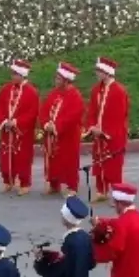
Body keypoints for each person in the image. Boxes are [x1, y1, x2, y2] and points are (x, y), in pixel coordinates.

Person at [92, 183, 139, 277]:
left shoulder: (122, 222)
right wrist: (101, 222)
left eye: (115, 203)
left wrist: (95, 251)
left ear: (120, 203)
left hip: (125, 269)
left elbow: (114, 249)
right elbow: (117, 223)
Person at [85, 56, 130, 200]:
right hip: (99, 134)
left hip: (114, 135)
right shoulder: (96, 90)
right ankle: (101, 191)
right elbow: (91, 110)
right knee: (99, 161)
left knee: (113, 165)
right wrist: (92, 126)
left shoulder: (119, 91)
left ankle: (117, 193)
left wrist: (104, 131)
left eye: (99, 71)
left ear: (107, 72)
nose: (97, 73)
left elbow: (119, 116)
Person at [0, 59, 39, 195]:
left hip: (21, 132)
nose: (12, 76)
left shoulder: (31, 92)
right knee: (6, 156)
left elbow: (32, 112)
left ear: (22, 75)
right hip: (7, 131)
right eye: (12, 74)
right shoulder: (5, 90)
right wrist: (3, 121)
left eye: (15, 74)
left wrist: (17, 122)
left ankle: (25, 183)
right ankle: (8, 180)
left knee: (23, 157)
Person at [40, 62, 85, 195]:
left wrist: (57, 126)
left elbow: (74, 115)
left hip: (68, 135)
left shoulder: (75, 95)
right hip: (52, 134)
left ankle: (72, 186)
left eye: (59, 79)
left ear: (66, 80)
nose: (56, 81)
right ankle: (54, 184)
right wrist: (46, 123)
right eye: (56, 78)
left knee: (69, 160)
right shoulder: (53, 93)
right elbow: (44, 110)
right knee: (53, 159)